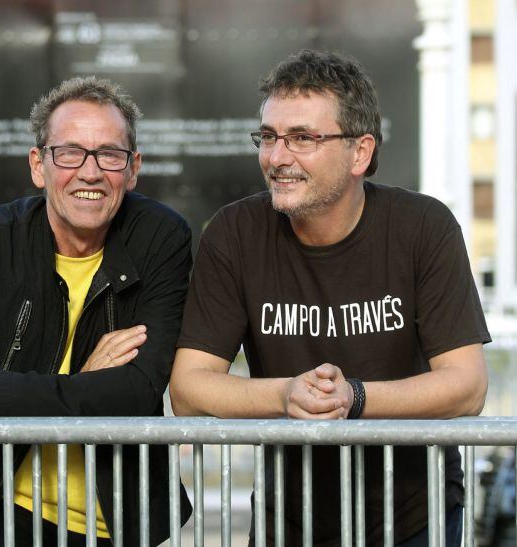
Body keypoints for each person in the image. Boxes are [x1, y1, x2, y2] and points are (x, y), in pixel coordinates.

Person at [169, 49, 490, 546]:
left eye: (302, 138)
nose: (277, 157)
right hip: (288, 519)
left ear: (360, 152)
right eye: (269, 137)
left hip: (413, 518)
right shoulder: (235, 231)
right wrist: (284, 395)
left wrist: (354, 398)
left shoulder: (423, 227)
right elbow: (189, 389)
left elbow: (467, 386)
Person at [0, 76, 192, 546]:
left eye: (109, 155)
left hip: (115, 522)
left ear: (133, 169)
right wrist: (86, 383)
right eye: (69, 152)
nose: (90, 172)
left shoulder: (160, 238)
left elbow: (137, 393)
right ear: (39, 165)